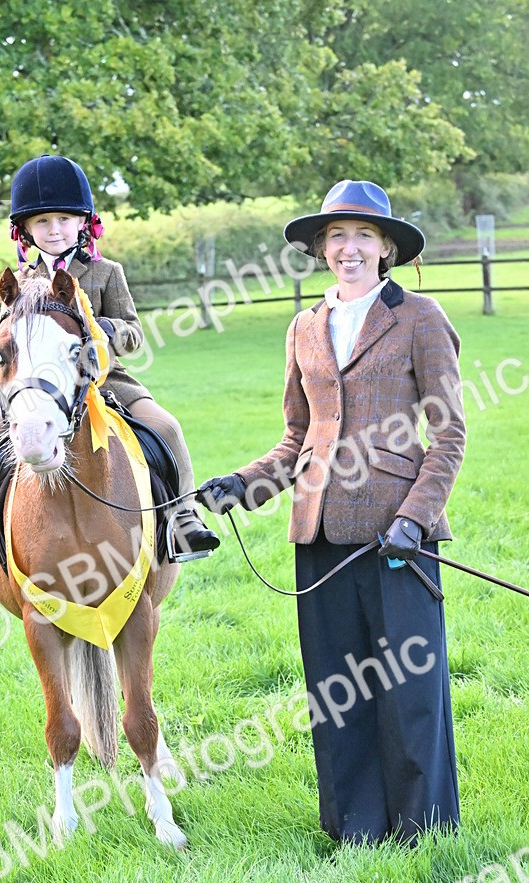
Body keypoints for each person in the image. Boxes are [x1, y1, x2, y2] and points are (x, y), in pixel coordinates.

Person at [198, 180, 466, 846]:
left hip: (396, 536)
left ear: (386, 249)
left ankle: (423, 831)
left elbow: (449, 433)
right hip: (318, 532)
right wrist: (243, 484)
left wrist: (415, 518)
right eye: (338, 237)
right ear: (322, 248)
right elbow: (297, 438)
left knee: (408, 693)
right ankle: (357, 830)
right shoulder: (304, 327)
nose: (350, 248)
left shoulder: (421, 319)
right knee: (337, 693)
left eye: (364, 237)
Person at [0, 153, 219, 572]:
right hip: (37, 387)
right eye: (43, 222)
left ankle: (182, 518)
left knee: (167, 426)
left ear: (83, 222)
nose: (55, 229)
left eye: (64, 219)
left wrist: (103, 330)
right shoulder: (22, 282)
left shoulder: (105, 272)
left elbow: (134, 332)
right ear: (25, 229)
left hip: (104, 382)